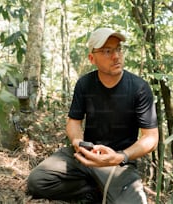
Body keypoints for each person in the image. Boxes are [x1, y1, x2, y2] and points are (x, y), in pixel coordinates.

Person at [27, 27, 159, 204]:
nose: (116, 56)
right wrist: (77, 143)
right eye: (107, 51)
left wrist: (121, 157)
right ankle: (92, 192)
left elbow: (151, 138)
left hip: (118, 162)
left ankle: (104, 189)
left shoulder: (139, 88)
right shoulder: (85, 84)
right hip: (86, 154)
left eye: (118, 49)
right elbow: (73, 122)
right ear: (92, 58)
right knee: (38, 181)